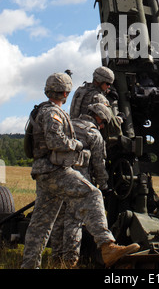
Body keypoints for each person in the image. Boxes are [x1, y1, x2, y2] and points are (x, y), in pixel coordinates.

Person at [21, 72, 140, 269]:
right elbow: (55, 141)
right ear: (66, 93)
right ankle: (107, 245)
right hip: (55, 171)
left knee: (41, 225)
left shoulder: (42, 110)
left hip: (43, 173)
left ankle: (29, 265)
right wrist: (76, 145)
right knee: (92, 194)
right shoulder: (53, 113)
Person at [50, 102, 112, 267]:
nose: (103, 125)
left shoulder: (68, 124)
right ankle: (70, 261)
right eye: (103, 122)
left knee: (58, 219)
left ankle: (55, 259)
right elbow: (99, 164)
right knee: (74, 219)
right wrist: (104, 185)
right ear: (98, 117)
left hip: (57, 177)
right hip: (78, 182)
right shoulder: (93, 134)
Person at [69, 66, 123, 149]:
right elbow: (111, 124)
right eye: (107, 84)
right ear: (99, 81)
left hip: (73, 134)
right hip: (90, 138)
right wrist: (120, 118)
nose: (109, 86)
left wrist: (107, 92)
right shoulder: (99, 98)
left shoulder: (80, 91)